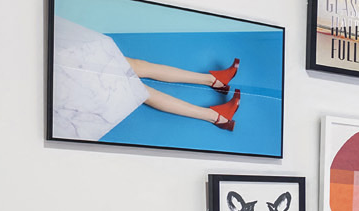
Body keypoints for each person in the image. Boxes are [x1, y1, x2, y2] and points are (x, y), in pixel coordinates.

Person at [51, 16, 242, 141]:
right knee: (141, 91)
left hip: (58, 61)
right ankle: (215, 116)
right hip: (61, 90)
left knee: (135, 65)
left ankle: (213, 81)